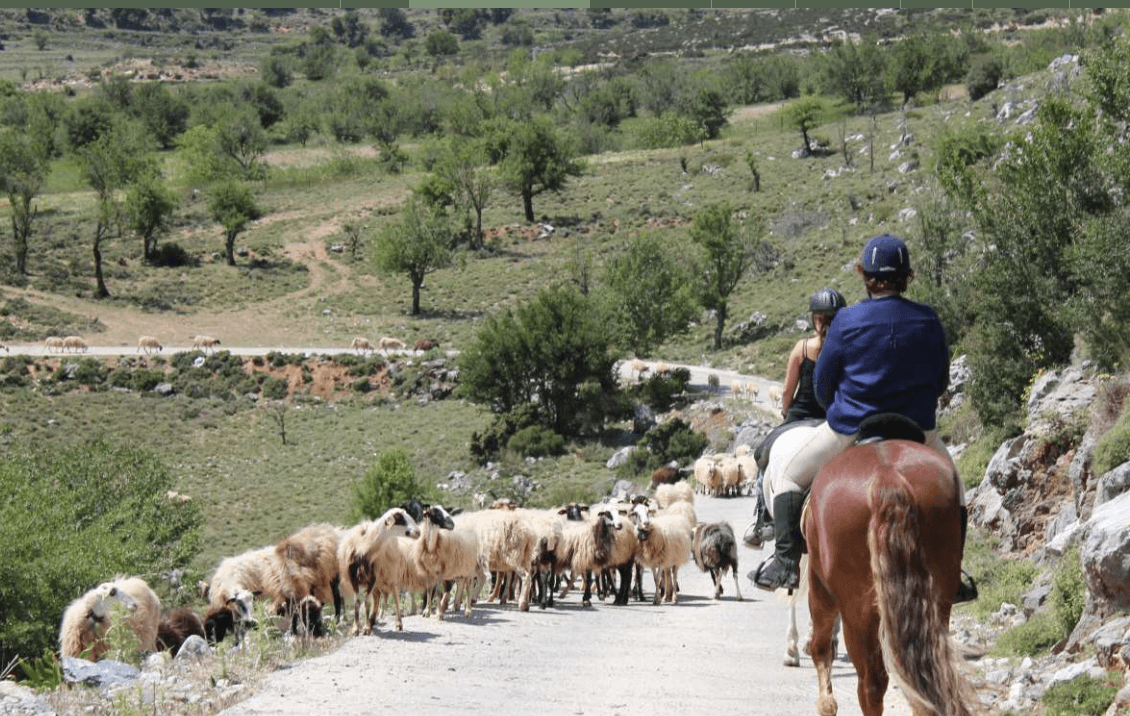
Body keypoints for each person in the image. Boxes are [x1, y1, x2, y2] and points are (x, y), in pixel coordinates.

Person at [752, 233, 975, 601]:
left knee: (790, 475)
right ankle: (953, 574)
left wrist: (844, 403)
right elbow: (941, 380)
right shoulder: (928, 319)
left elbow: (823, 386)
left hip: (851, 431)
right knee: (955, 491)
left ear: (865, 275)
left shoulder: (846, 320)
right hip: (917, 431)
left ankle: (785, 562)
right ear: (907, 276)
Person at [745, 288, 845, 549]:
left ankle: (763, 520)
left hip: (800, 416)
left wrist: (785, 411)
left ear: (815, 319)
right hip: (834, 420)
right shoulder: (848, 349)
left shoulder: (802, 348)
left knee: (763, 457)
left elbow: (788, 390)